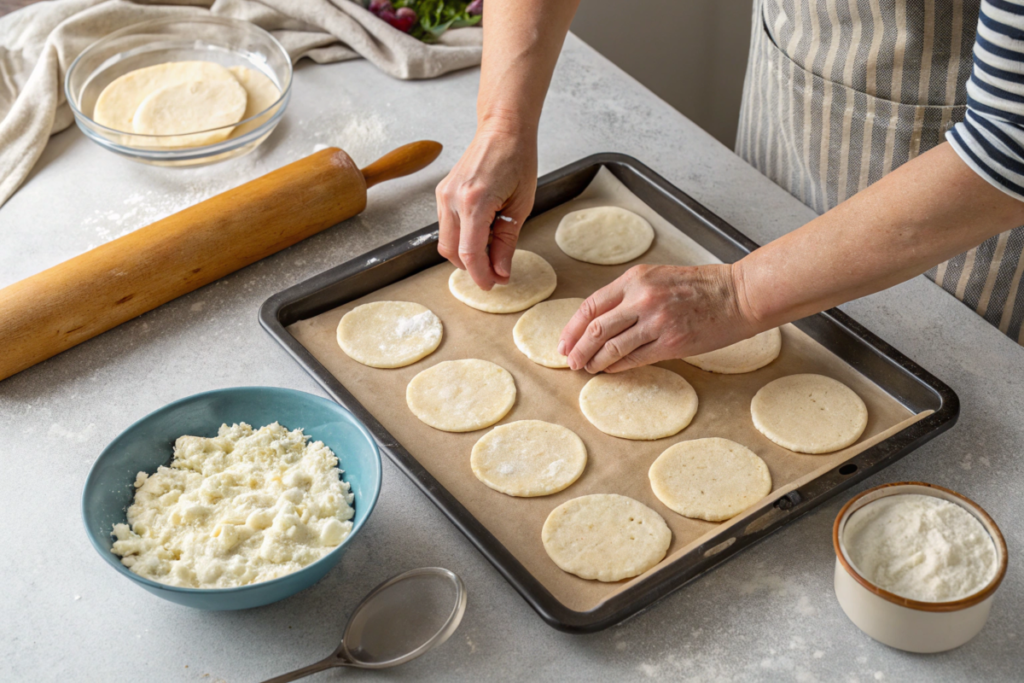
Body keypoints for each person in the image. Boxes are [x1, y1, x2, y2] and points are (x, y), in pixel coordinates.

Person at [435, 0, 1024, 374]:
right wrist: (505, 123)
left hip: (964, 214)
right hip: (797, 97)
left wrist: (736, 294)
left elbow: (1013, 139)